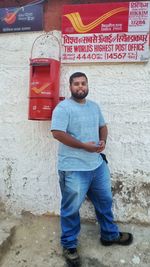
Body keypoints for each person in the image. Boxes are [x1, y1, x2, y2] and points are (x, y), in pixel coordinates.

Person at [51, 72, 133, 266]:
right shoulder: (63, 108)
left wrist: (102, 139)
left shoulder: (94, 107)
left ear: (87, 85)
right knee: (71, 209)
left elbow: (102, 127)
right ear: (70, 86)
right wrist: (83, 146)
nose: (80, 87)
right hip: (73, 168)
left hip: (97, 165)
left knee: (105, 201)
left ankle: (109, 235)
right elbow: (57, 133)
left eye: (83, 83)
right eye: (76, 84)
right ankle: (69, 245)